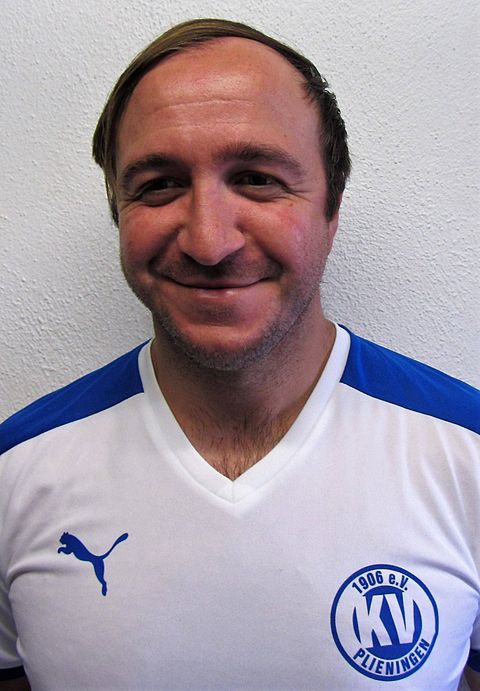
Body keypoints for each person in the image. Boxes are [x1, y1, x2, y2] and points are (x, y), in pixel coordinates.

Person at [0, 18, 478, 691]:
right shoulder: (15, 473)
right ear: (118, 211)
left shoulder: (465, 453)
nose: (209, 241)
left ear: (332, 209)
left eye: (256, 179)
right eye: (159, 184)